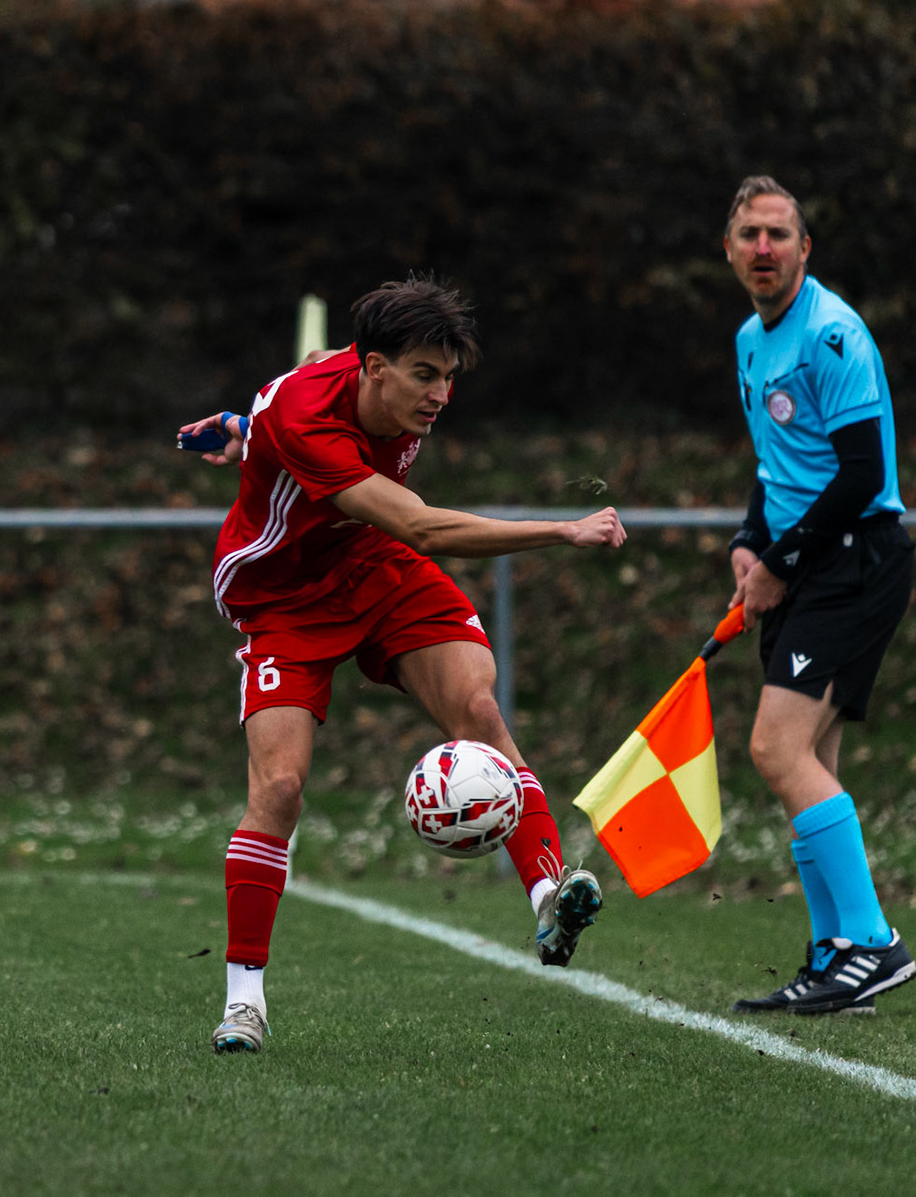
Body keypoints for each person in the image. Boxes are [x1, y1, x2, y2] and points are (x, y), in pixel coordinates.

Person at [178, 276, 627, 1055]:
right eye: (425, 375)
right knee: (279, 789)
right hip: (281, 596)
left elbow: (302, 398)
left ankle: (549, 899)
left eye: (449, 377)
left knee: (479, 712)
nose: (441, 396)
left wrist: (245, 431)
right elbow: (422, 527)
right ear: (375, 368)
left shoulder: (356, 380)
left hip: (371, 564)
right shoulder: (307, 416)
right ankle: (243, 1002)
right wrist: (562, 530)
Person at [718, 177, 916, 1016]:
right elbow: (779, 466)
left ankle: (873, 943)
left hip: (856, 560)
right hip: (807, 564)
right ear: (730, 250)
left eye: (779, 234)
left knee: (776, 748)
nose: (764, 248)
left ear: (805, 249)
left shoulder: (832, 334)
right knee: (809, 763)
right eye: (750, 235)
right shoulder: (749, 340)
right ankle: (835, 956)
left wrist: (780, 563)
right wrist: (749, 540)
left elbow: (862, 475)